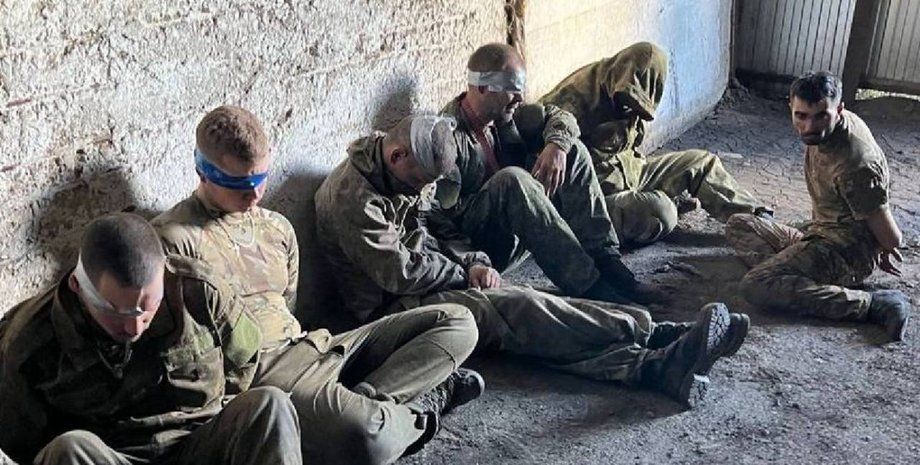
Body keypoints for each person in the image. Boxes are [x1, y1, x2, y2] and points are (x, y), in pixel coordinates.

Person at [315, 113, 751, 409]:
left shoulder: (398, 166)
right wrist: (463, 273)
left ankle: (654, 339)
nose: (420, 192)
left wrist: (476, 261)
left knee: (522, 304)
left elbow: (437, 229)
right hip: (388, 311)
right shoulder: (353, 199)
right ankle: (653, 362)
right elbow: (401, 273)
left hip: (426, 282)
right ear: (397, 159)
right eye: (418, 184)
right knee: (514, 309)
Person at [153, 106, 483, 465]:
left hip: (316, 344)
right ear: (203, 169)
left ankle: (370, 403)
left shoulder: (276, 227)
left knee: (459, 323)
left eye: (261, 179)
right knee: (367, 438)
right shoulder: (175, 242)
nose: (255, 195)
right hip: (264, 371)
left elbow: (289, 307)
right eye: (239, 185)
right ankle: (421, 407)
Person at [0, 213, 303, 465]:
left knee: (270, 405)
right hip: (114, 455)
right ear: (78, 286)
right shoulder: (28, 340)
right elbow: (21, 443)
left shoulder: (198, 291)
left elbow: (244, 361)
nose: (134, 327)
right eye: (116, 311)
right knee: (69, 449)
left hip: (196, 444)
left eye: (148, 308)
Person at [429, 42, 662, 304]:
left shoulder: (506, 115)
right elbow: (440, 223)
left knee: (570, 149)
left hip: (521, 232)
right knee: (512, 180)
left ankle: (608, 263)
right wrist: (474, 263)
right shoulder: (448, 139)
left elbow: (562, 117)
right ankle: (589, 285)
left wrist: (557, 146)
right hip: (481, 252)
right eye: (512, 90)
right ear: (483, 88)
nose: (519, 98)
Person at [725, 71, 911, 341]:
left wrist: (882, 245)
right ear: (790, 106)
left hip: (846, 253)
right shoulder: (828, 128)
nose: (809, 126)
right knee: (739, 224)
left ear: (840, 110)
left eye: (821, 116)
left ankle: (872, 304)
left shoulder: (856, 163)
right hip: (820, 231)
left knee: (756, 285)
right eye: (801, 116)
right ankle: (797, 279)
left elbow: (892, 237)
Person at [540, 41, 771, 244]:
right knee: (661, 212)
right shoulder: (581, 91)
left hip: (630, 174)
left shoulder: (636, 96)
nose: (630, 108)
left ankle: (758, 220)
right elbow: (552, 118)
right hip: (592, 200)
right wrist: (558, 144)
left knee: (702, 162)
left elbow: (629, 144)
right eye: (627, 99)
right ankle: (631, 219)